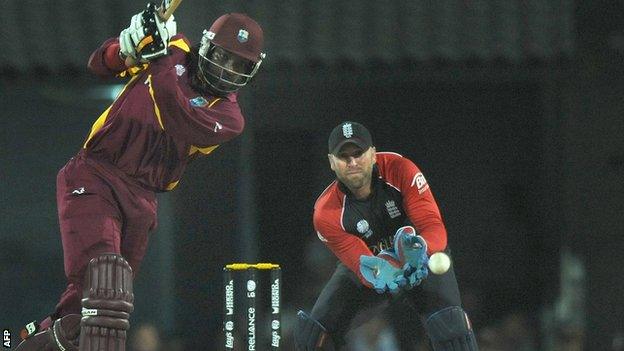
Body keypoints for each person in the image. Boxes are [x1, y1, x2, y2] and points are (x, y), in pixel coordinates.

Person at [16, 4, 265, 350]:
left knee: (82, 319)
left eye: (240, 65)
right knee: (108, 291)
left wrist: (157, 56)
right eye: (224, 56)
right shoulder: (175, 48)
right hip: (95, 175)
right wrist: (129, 47)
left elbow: (172, 111)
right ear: (206, 46)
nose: (228, 69)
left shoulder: (229, 116)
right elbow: (99, 62)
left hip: (142, 201)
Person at [294, 121, 479, 350]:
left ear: (372, 154)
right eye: (344, 157)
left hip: (420, 257)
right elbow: (358, 260)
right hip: (375, 267)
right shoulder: (326, 213)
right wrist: (383, 268)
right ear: (332, 162)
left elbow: (432, 225)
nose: (352, 162)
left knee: (452, 331)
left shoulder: (401, 169)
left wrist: (422, 248)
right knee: (315, 336)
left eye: (358, 153)